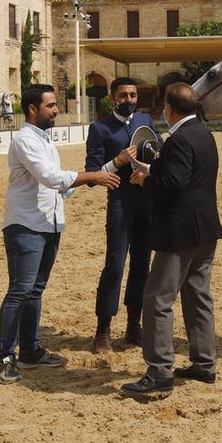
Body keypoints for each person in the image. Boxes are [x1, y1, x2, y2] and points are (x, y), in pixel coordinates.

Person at [0, 83, 120, 385]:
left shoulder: (44, 140)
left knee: (34, 291)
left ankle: (30, 350)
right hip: (25, 225)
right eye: (51, 106)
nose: (55, 111)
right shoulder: (25, 140)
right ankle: (5, 356)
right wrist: (92, 176)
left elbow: (59, 187)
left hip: (48, 223)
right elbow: (52, 178)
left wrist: (113, 165)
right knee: (19, 291)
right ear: (32, 109)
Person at [121, 83, 222, 399]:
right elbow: (190, 178)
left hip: (180, 233)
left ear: (169, 108)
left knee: (157, 299)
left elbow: (173, 184)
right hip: (205, 229)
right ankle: (204, 363)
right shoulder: (204, 134)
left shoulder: (179, 139)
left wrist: (146, 178)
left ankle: (159, 371)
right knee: (197, 296)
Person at [85, 76, 158, 353]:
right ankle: (103, 331)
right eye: (124, 96)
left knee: (141, 265)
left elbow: (159, 153)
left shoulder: (146, 122)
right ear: (112, 97)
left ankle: (133, 326)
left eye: (133, 96)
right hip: (119, 204)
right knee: (114, 265)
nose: (129, 100)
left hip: (146, 202)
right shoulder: (100, 128)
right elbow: (92, 175)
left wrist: (149, 169)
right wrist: (117, 162)